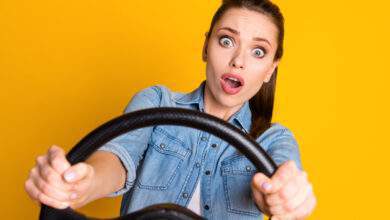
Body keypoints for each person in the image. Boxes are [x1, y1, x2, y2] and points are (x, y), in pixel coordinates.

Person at [25, 0, 317, 219]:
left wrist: (284, 195)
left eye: (258, 51)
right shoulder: (156, 101)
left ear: (270, 70)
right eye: (226, 41)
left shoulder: (273, 140)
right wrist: (80, 183)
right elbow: (117, 159)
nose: (238, 61)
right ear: (206, 47)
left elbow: (278, 182)